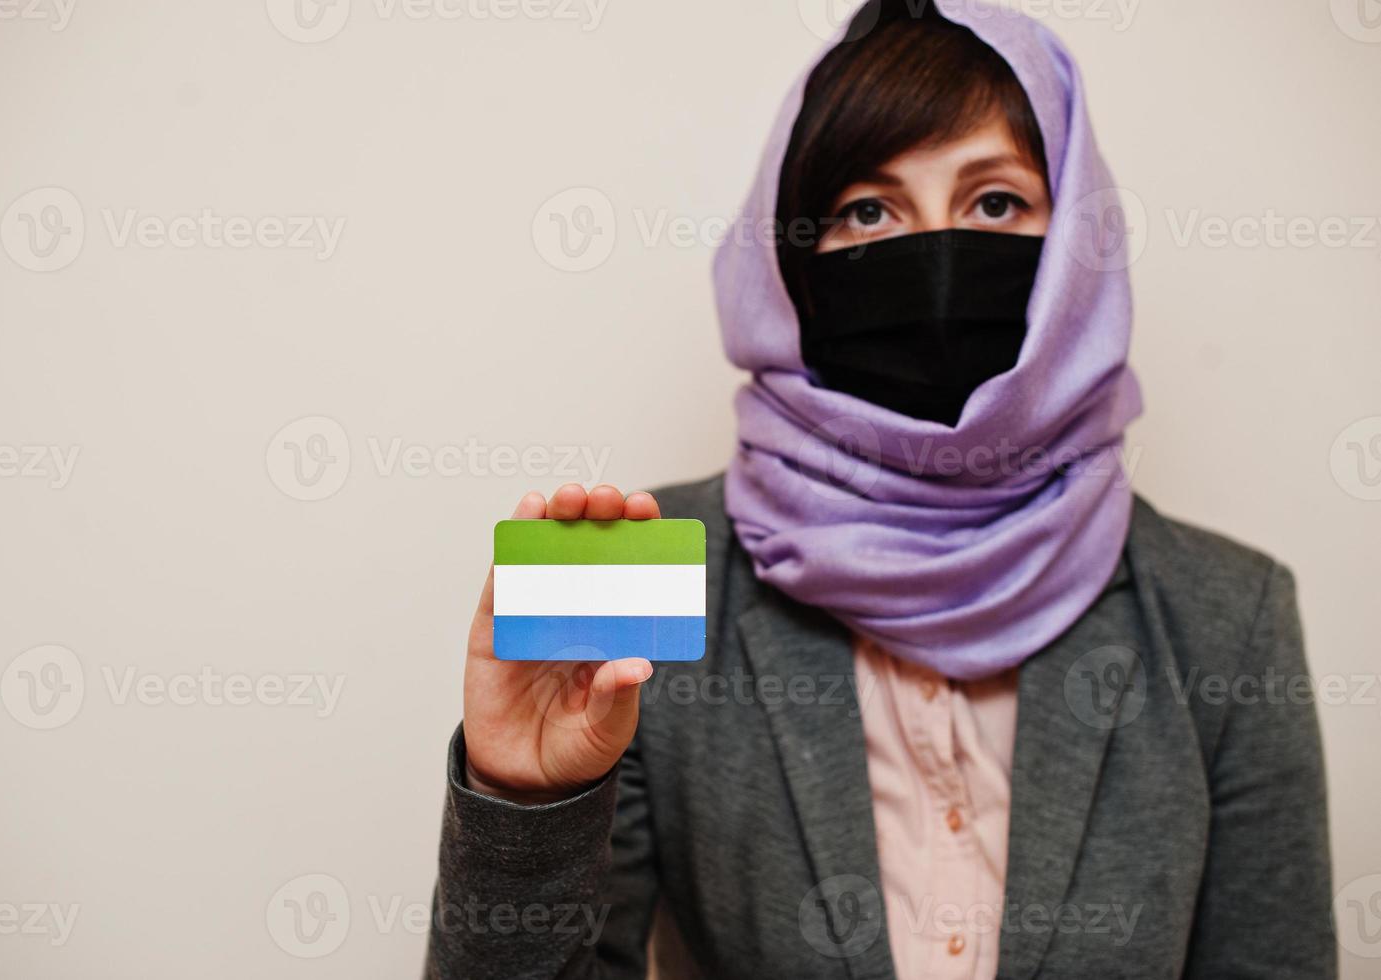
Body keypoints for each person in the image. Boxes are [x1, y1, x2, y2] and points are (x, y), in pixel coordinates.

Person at [425, 2, 1336, 977]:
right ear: (793, 262)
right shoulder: (644, 569)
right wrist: (521, 802)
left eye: (995, 203)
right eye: (868, 210)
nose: (935, 257)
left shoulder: (1227, 614)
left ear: (1075, 246)